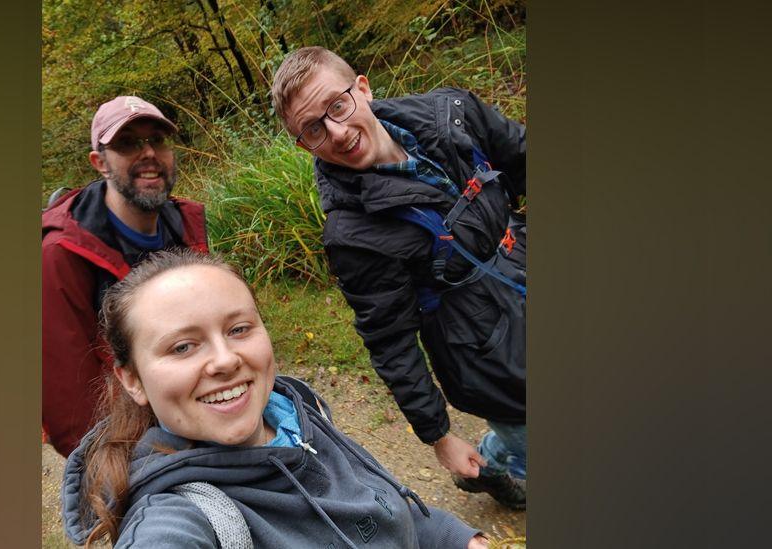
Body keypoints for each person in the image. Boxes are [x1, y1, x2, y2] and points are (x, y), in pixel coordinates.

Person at [60, 249, 489, 549]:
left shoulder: (298, 411)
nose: (225, 360)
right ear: (132, 379)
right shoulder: (178, 516)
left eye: (239, 329)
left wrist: (454, 538)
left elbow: (374, 505)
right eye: (182, 347)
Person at [271, 47, 527, 509]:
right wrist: (439, 435)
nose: (337, 131)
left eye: (338, 105)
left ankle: (496, 458)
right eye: (313, 129)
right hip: (487, 354)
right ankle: (501, 464)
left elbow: (524, 156)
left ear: (363, 88)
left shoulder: (452, 115)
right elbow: (390, 340)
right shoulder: (352, 234)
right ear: (302, 144)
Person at [42, 96, 208, 457]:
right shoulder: (60, 256)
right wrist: (114, 470)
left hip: (197, 414)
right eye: (128, 143)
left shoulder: (186, 228)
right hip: (130, 443)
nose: (148, 152)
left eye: (157, 140)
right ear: (99, 163)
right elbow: (69, 402)